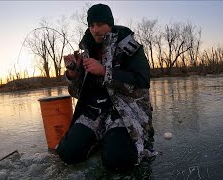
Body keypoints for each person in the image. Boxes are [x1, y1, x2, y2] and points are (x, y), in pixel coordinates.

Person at [56, 3, 155, 171]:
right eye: (91, 25)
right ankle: (100, 139)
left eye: (100, 24)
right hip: (95, 111)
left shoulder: (129, 47)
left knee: (117, 160)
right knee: (67, 154)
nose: (95, 30)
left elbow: (142, 83)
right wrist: (73, 74)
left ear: (110, 24)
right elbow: (78, 93)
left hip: (125, 111)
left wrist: (104, 71)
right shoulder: (86, 50)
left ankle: (123, 141)